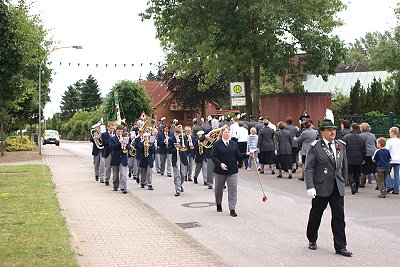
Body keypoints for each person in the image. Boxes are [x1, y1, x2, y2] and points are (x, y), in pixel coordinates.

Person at [305, 119, 352, 257]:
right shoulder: (315, 146)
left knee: (339, 217)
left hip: (337, 186)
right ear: (322, 132)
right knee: (316, 215)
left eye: (334, 129)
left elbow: (344, 165)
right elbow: (309, 168)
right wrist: (310, 186)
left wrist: (344, 182)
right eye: (329, 130)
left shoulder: (340, 145)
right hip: (321, 186)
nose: (333, 132)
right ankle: (312, 238)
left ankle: (341, 246)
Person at [211, 126, 252, 217]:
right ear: (222, 133)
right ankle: (218, 203)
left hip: (232, 170)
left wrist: (247, 154)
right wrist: (220, 164)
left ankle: (232, 208)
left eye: (228, 132)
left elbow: (237, 156)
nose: (227, 133)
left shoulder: (234, 144)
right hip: (220, 171)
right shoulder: (217, 144)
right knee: (218, 189)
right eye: (225, 132)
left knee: (233, 189)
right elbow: (213, 156)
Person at [342, 123, 366, 195]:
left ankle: (352, 183)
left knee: (348, 172)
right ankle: (356, 187)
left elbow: (343, 148)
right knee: (357, 173)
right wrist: (363, 158)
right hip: (359, 158)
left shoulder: (346, 137)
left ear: (351, 128)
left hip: (349, 158)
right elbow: (364, 149)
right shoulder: (361, 138)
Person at [168, 127, 189, 196]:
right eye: (176, 133)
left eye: (178, 133)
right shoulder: (171, 140)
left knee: (183, 175)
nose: (177, 134)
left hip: (182, 159)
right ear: (174, 133)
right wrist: (176, 149)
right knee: (177, 175)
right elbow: (169, 150)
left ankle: (180, 184)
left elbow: (186, 148)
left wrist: (182, 146)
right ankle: (177, 190)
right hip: (175, 159)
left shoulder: (183, 138)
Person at [109, 125, 130, 194]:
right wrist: (119, 143)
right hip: (115, 158)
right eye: (118, 131)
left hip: (123, 158)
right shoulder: (112, 138)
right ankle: (115, 185)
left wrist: (125, 145)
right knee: (115, 174)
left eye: (121, 131)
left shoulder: (126, 138)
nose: (120, 133)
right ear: (116, 131)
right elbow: (112, 147)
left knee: (123, 173)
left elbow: (129, 147)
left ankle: (123, 187)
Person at [359, 122, 377, 187]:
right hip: (373, 152)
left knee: (363, 169)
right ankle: (379, 184)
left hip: (366, 153)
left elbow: (360, 145)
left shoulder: (360, 135)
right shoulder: (372, 135)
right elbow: (375, 143)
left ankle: (362, 183)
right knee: (374, 169)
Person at [385, 126, 400, 195]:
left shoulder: (389, 141)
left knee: (386, 173)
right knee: (397, 175)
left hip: (390, 160)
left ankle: (389, 185)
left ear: (392, 133)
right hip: (398, 160)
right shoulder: (399, 141)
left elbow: (386, 150)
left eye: (390, 133)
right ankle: (396, 190)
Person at [100, 122, 115, 186]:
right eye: (111, 128)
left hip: (114, 153)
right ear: (108, 128)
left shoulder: (115, 134)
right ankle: (107, 180)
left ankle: (115, 182)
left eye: (113, 128)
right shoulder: (104, 134)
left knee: (115, 168)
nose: (112, 129)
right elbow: (104, 143)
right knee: (108, 168)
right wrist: (111, 139)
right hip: (107, 153)